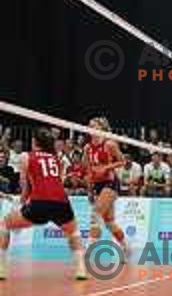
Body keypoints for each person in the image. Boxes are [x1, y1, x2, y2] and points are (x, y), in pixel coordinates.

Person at [0, 127, 87, 280]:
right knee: (73, 232)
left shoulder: (26, 157)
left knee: (4, 224)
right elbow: (57, 182)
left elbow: (26, 187)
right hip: (61, 201)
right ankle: (81, 269)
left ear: (34, 141)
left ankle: (1, 267)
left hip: (39, 202)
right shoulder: (57, 159)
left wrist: (19, 205)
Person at [83, 117, 129, 258]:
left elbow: (123, 161)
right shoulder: (87, 148)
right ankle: (126, 248)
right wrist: (90, 190)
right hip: (97, 184)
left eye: (93, 126)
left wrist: (106, 167)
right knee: (109, 222)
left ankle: (87, 252)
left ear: (101, 128)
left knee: (95, 214)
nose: (90, 128)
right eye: (89, 126)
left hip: (110, 183)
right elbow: (89, 170)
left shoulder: (109, 144)